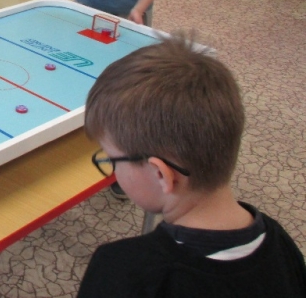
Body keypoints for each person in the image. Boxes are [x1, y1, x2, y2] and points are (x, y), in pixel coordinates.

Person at [78, 35, 306, 297]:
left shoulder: (121, 269)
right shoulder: (281, 242)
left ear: (160, 174)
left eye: (111, 159)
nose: (113, 171)